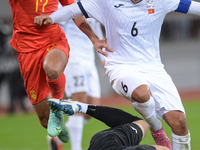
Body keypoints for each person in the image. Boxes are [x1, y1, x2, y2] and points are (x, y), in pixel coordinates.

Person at [34, 0, 200, 149]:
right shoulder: (107, 2)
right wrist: (52, 17)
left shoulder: (161, 1)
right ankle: (157, 129)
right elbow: (73, 10)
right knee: (142, 93)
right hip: (121, 66)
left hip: (154, 68)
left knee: (180, 122)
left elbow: (192, 6)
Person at [8, 0, 112, 144]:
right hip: (27, 51)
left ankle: (57, 110)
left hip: (54, 41)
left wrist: (95, 40)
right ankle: (58, 130)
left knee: (53, 69)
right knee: (45, 120)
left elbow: (75, 11)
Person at [47, 6, 105, 150]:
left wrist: (104, 59)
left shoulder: (93, 3)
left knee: (92, 108)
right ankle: (76, 147)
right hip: (72, 57)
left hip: (89, 61)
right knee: (79, 101)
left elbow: (96, 28)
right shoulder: (63, 5)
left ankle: (56, 137)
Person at [47, 98, 170, 150]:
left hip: (106, 142)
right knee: (142, 123)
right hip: (103, 142)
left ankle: (80, 106)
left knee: (142, 123)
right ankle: (80, 107)